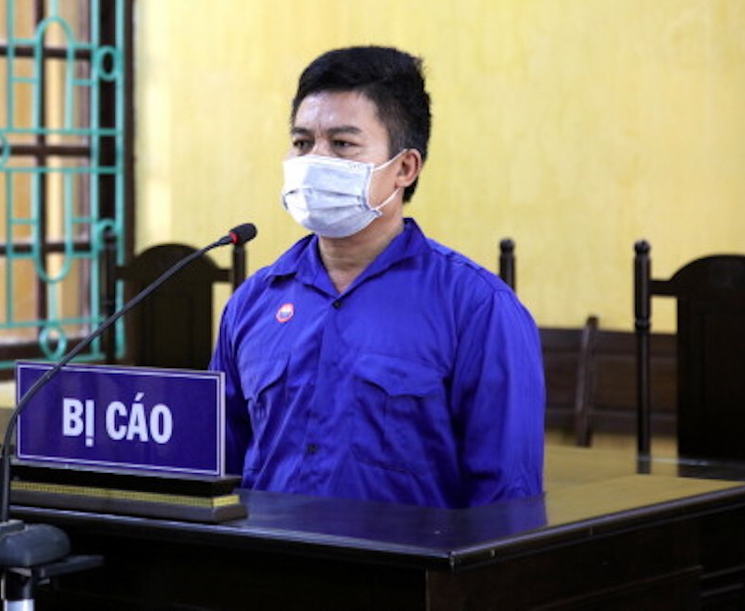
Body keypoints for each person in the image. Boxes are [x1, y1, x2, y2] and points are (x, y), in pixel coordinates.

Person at [209, 46, 545, 509]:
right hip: (268, 552)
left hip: (408, 556)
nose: (315, 160)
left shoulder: (477, 307)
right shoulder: (254, 303)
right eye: (302, 143)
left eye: (342, 144)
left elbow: (507, 498)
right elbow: (218, 470)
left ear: (404, 168)